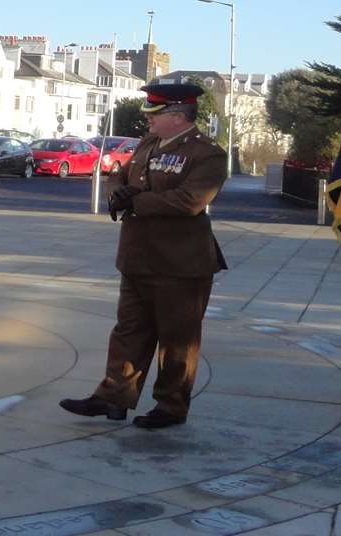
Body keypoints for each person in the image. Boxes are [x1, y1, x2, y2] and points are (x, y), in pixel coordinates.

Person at [59, 82, 228, 429]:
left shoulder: (207, 153)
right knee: (129, 331)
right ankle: (113, 398)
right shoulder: (148, 144)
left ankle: (170, 406)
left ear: (178, 116)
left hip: (180, 262)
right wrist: (118, 193)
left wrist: (136, 200)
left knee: (177, 340)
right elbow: (118, 177)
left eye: (155, 113)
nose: (147, 120)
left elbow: (189, 201)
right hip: (137, 256)